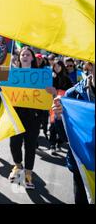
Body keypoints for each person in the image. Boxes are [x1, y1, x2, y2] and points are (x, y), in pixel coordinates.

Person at [52, 62, 94, 204]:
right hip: (83, 164)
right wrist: (59, 117)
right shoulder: (73, 94)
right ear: (90, 64)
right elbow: (65, 137)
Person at [8, 46, 40, 189]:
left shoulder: (40, 75)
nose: (25, 56)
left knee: (30, 146)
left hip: (33, 117)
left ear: (32, 58)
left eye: (28, 54)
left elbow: (47, 96)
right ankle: (18, 165)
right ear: (19, 58)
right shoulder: (13, 75)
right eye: (23, 54)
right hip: (16, 116)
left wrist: (50, 92)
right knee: (14, 144)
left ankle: (28, 174)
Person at [46, 60, 74, 155]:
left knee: (63, 125)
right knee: (53, 125)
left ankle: (59, 142)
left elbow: (71, 92)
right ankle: (52, 145)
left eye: (58, 66)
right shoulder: (50, 77)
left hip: (63, 105)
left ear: (62, 66)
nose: (56, 68)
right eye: (55, 66)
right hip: (52, 104)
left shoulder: (67, 78)